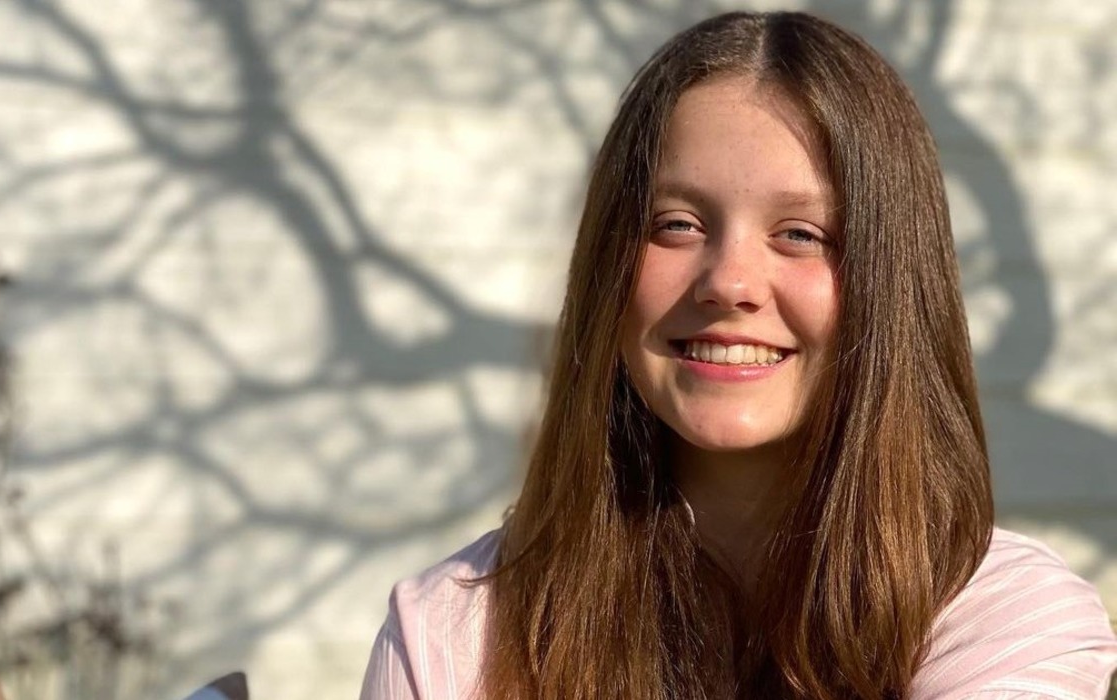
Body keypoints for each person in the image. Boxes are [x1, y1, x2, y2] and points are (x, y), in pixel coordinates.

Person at [358, 10, 1117, 699]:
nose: (728, 282)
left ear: (893, 285)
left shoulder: (1010, 621)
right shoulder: (449, 636)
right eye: (677, 224)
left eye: (801, 234)